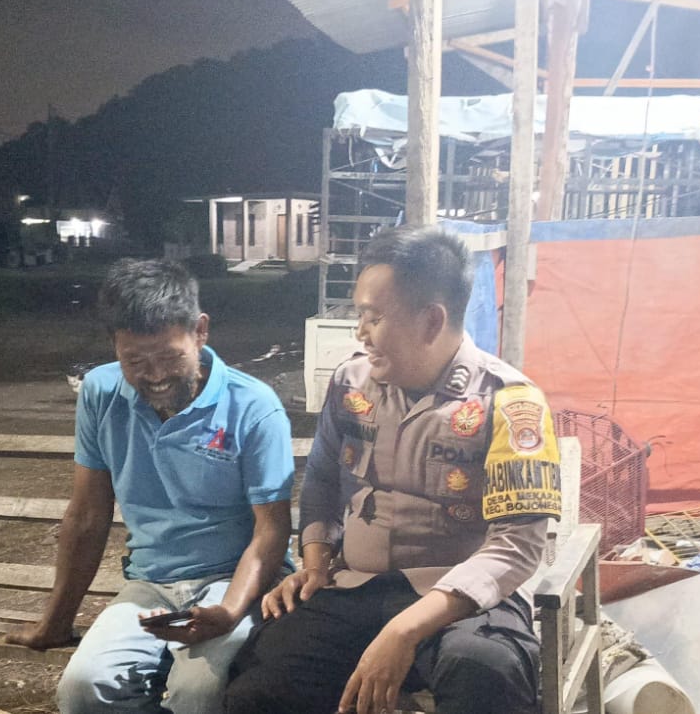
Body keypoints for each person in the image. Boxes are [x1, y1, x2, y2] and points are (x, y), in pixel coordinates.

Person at [224, 226, 562, 714]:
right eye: (360, 316)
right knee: (260, 683)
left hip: (463, 602)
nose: (360, 332)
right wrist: (315, 565)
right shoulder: (351, 384)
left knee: (486, 672)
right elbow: (322, 481)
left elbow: (518, 545)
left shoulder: (509, 403)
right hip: (356, 587)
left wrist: (403, 630)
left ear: (432, 321)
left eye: (374, 318)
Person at [5, 258, 294, 714]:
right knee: (84, 689)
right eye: (134, 361)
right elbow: (87, 515)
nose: (155, 375)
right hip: (151, 584)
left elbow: (271, 530)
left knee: (198, 692)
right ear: (115, 347)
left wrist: (228, 613)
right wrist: (55, 623)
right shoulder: (101, 393)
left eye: (169, 357)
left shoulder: (253, 406)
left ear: (200, 331)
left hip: (232, 582)